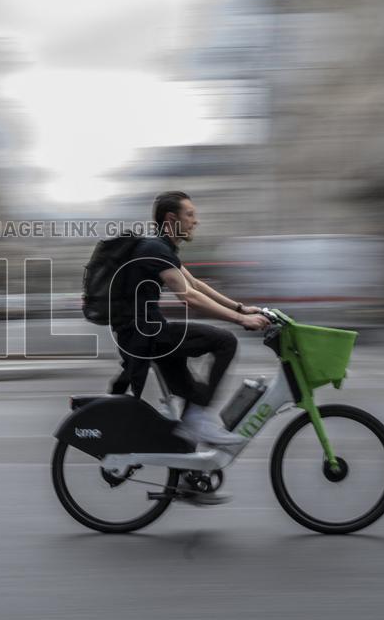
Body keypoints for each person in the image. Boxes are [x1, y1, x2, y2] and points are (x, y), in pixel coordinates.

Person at [109, 191, 269, 448]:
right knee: (225, 341)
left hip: (145, 334)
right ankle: (198, 422)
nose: (196, 221)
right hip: (147, 336)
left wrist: (241, 307)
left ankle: (186, 472)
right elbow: (189, 297)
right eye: (190, 214)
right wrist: (239, 320)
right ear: (172, 218)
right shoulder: (155, 249)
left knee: (195, 397)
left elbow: (195, 284)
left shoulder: (159, 247)